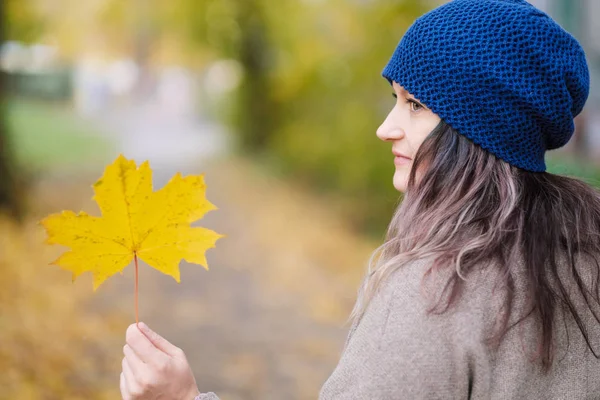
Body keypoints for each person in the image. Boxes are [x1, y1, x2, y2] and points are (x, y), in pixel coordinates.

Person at [119, 0, 600, 398]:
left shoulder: (438, 289)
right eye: (395, 100)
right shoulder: (585, 263)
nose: (386, 128)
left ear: (481, 128)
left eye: (415, 105)